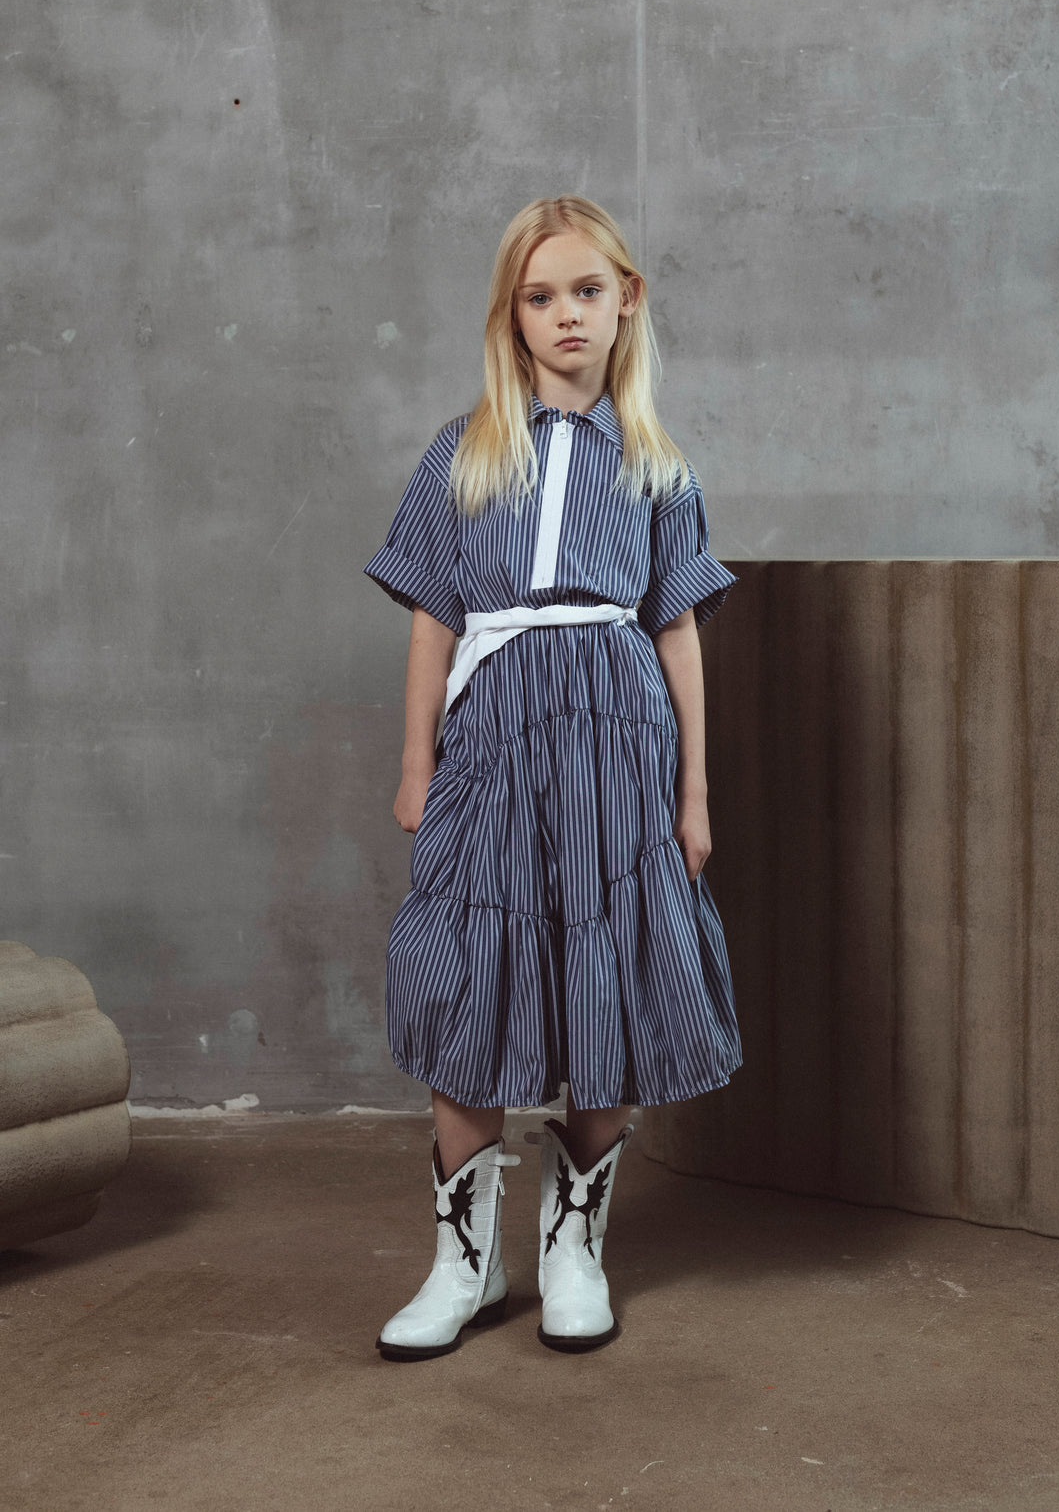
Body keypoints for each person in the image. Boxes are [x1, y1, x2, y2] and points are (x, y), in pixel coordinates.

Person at [363, 195, 741, 1361]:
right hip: (492, 739)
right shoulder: (464, 449)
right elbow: (433, 617)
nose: (566, 314)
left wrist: (693, 792)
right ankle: (464, 1262)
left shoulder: (656, 463)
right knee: (469, 971)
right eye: (541, 296)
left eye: (587, 290)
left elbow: (677, 629)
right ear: (512, 315)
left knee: (606, 971)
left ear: (627, 300)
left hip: (620, 741)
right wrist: (418, 763)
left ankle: (576, 1246)